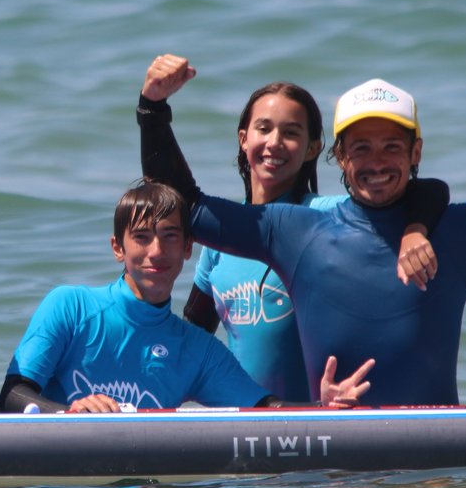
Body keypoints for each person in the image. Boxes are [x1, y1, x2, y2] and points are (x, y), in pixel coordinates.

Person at [139, 56, 466, 406]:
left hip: (436, 465)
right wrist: (153, 109)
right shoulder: (296, 230)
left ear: (415, 152)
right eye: (360, 148)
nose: (376, 162)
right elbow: (189, 207)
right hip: (338, 472)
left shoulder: (464, 229)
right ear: (339, 157)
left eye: (392, 147)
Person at [0, 179, 374, 414]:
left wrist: (322, 408)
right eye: (142, 237)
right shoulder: (71, 307)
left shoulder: (197, 350)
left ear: (189, 248)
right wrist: (68, 414)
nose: (157, 251)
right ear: (117, 247)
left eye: (170, 236)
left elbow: (264, 409)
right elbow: (13, 395)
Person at [183, 80, 450, 401]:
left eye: (292, 133)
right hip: (247, 424)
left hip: (319, 422)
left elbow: (429, 189)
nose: (275, 142)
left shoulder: (324, 217)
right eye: (264, 128)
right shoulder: (221, 239)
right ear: (244, 139)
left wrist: (414, 230)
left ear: (312, 147)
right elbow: (192, 337)